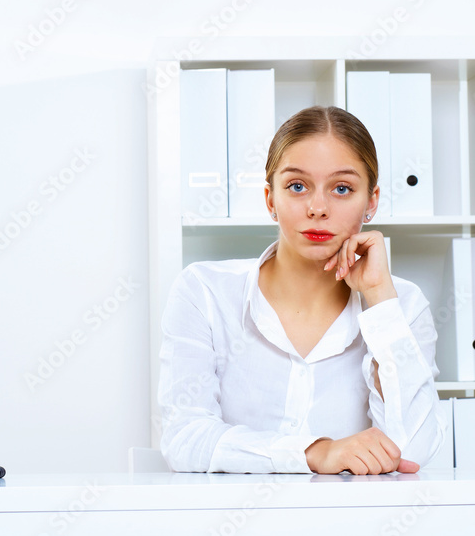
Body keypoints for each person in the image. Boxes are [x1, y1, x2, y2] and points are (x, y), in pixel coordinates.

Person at [157, 105, 446, 475]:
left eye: (342, 188)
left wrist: (377, 300)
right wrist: (314, 452)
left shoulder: (401, 305)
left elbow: (413, 452)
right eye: (297, 186)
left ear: (371, 201)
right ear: (270, 200)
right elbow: (185, 438)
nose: (318, 208)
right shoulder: (204, 292)